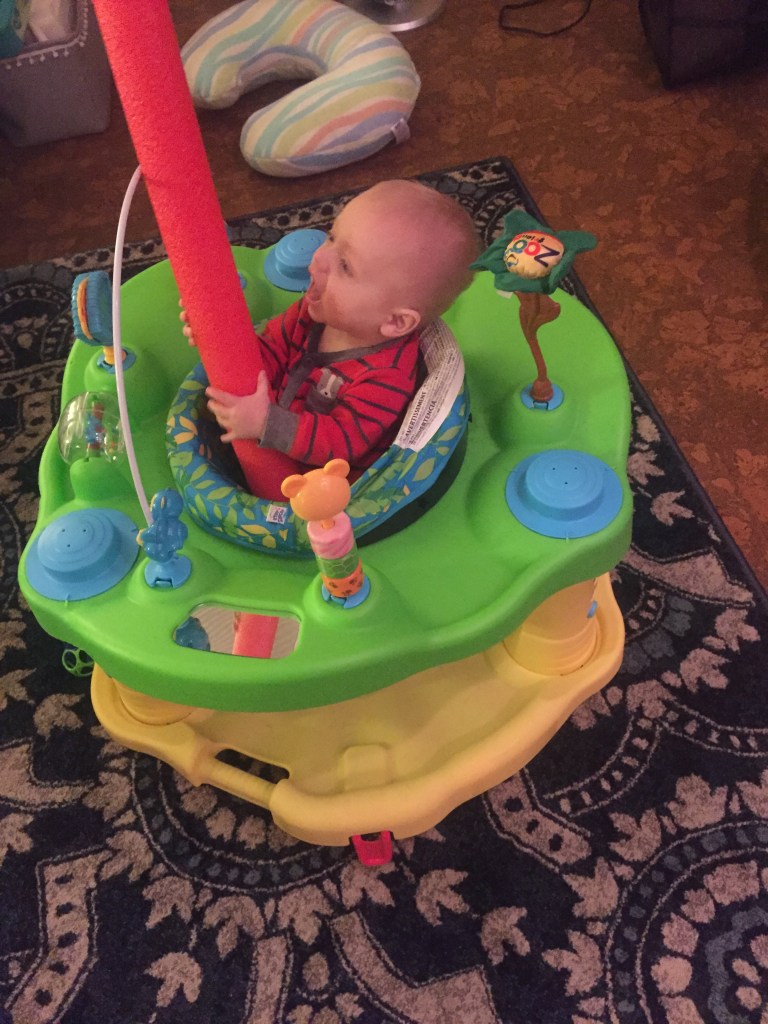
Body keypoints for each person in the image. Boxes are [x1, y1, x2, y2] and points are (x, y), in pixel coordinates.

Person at [185, 179, 480, 474]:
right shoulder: (314, 311)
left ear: (395, 322)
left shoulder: (387, 375)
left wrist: (266, 423)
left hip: (323, 481)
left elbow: (341, 443)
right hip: (268, 434)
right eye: (331, 236)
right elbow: (270, 353)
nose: (319, 257)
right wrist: (223, 339)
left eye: (345, 266)